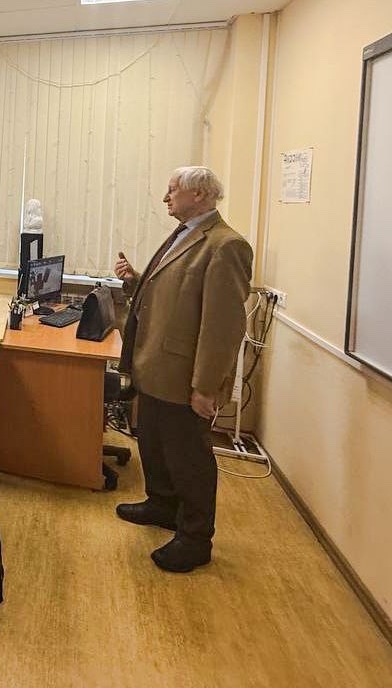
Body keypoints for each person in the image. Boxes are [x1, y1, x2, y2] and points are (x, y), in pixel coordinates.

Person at [114, 166, 252, 573]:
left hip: (183, 376)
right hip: (154, 367)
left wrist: (205, 386)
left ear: (199, 194)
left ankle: (195, 538)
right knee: (154, 444)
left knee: (189, 458)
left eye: (172, 190)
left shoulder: (226, 245)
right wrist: (134, 281)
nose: (165, 198)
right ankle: (161, 504)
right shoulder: (184, 234)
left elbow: (222, 325)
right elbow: (170, 293)